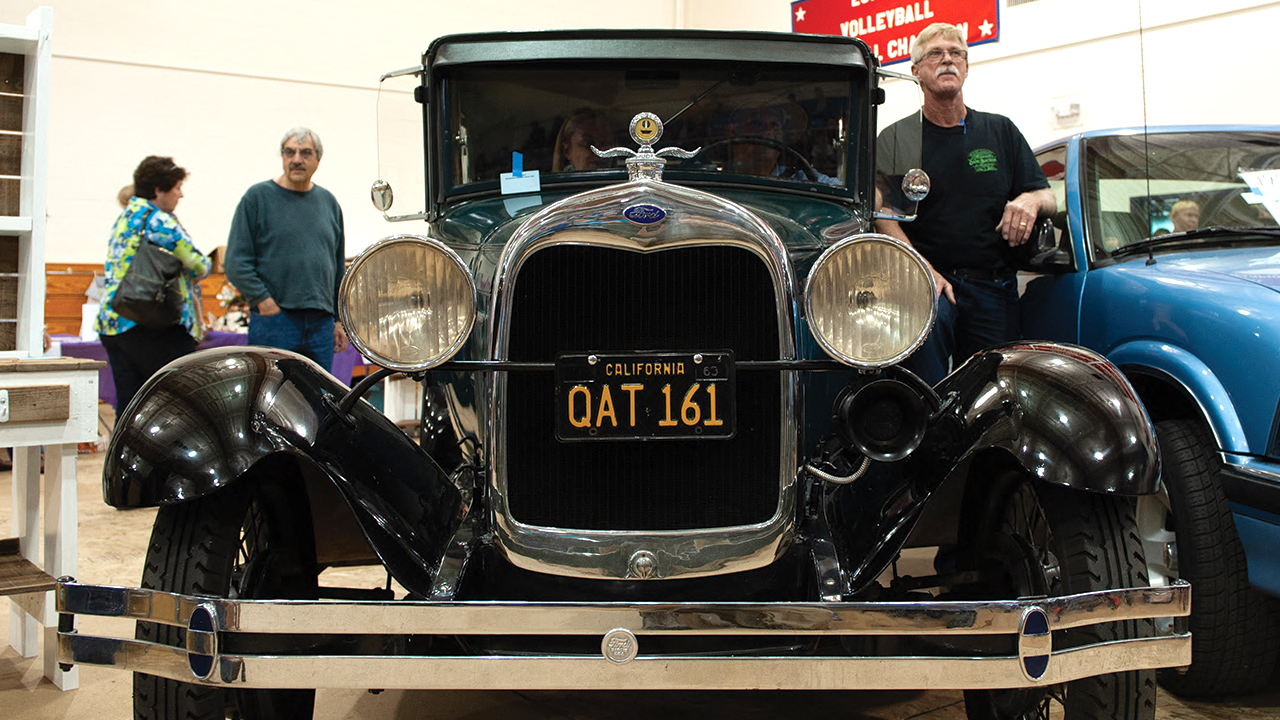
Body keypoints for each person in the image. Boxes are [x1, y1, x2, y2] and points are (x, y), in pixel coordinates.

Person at [876, 23, 1055, 385]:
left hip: (992, 287)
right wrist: (924, 272)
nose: (948, 60)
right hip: (928, 289)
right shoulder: (896, 139)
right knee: (923, 392)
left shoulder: (1000, 131)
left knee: (994, 395)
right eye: (935, 54)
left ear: (967, 68)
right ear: (915, 71)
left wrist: (1029, 201)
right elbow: (883, 218)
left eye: (956, 53)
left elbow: (1047, 195)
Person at [225, 127, 348, 371]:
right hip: (275, 321)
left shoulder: (329, 204)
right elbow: (236, 262)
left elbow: (337, 269)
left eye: (305, 153)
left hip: (321, 325)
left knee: (318, 400)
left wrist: (338, 319)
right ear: (282, 157)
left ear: (317, 160)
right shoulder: (257, 198)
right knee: (269, 397)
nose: (296, 160)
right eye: (289, 152)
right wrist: (264, 302)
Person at [95, 156, 210, 414]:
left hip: (114, 322)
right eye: (177, 187)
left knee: (130, 408)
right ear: (158, 190)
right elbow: (199, 265)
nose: (181, 195)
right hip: (149, 323)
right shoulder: (159, 221)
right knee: (181, 403)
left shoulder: (125, 217)